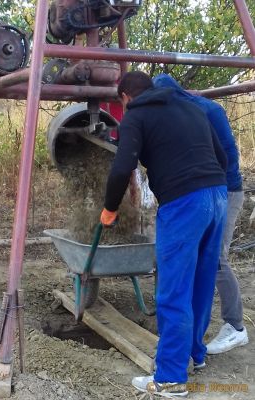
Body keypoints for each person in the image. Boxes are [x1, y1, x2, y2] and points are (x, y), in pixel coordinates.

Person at [100, 71, 227, 397]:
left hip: (184, 205)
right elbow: (223, 157)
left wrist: (110, 209)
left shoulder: (136, 116)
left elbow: (121, 167)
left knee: (173, 291)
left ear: (125, 97)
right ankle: (194, 355)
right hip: (217, 197)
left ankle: (170, 379)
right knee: (201, 280)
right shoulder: (191, 108)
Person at [153, 74, 248, 354]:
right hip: (206, 191)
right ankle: (188, 328)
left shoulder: (206, 110)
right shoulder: (187, 108)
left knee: (216, 259)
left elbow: (226, 156)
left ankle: (236, 327)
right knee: (193, 260)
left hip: (226, 192)